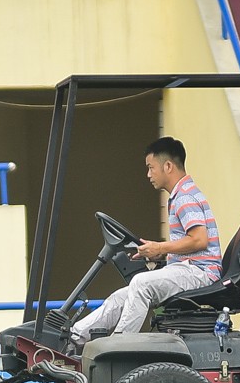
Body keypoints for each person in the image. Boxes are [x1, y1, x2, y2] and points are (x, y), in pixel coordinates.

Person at [64, 136, 220, 351]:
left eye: (151, 168)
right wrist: (158, 253)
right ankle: (73, 338)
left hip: (200, 273)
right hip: (189, 268)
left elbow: (200, 240)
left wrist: (160, 247)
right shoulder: (181, 195)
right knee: (121, 296)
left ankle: (118, 349)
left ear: (167, 166)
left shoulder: (184, 197)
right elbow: (190, 242)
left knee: (140, 283)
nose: (148, 175)